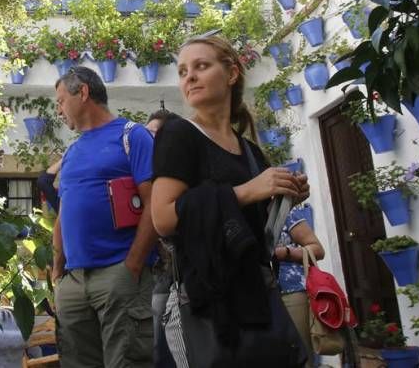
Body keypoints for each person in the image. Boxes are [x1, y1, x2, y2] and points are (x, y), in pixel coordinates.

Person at [151, 34, 310, 367]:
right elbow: (163, 218)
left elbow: (250, 227)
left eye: (201, 66)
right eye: (182, 71)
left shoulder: (250, 151)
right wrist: (247, 191)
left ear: (232, 73)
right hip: (204, 304)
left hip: (255, 300)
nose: (189, 77)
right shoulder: (179, 134)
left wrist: (283, 198)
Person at [52, 66, 157, 368]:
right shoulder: (71, 152)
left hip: (119, 274)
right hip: (74, 280)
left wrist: (133, 265)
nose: (58, 110)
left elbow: (154, 202)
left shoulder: (132, 135)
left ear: (82, 92)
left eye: (60, 101)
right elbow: (63, 213)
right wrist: (59, 273)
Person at [145, 109, 178, 368]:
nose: (148, 140)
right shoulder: (143, 171)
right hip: (149, 276)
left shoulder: (177, 173)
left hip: (174, 275)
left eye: (153, 134)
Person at [275, 204, 326, 368]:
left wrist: (286, 253)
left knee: (301, 357)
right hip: (257, 296)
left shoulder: (284, 211)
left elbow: (317, 249)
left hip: (291, 291)